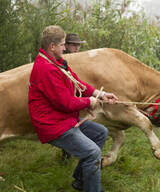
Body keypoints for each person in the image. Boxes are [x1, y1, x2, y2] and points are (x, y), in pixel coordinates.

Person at [28, 25, 118, 192]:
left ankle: (81, 179)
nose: (65, 47)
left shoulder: (58, 62)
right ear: (52, 46)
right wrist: (89, 102)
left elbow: (77, 83)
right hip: (53, 125)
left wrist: (100, 94)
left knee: (100, 133)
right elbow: (65, 103)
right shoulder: (46, 69)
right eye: (63, 44)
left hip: (64, 119)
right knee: (92, 153)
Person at [61, 33, 87, 161]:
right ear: (65, 46)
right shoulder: (61, 61)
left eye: (78, 46)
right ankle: (67, 152)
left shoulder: (80, 60)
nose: (77, 48)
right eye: (74, 45)